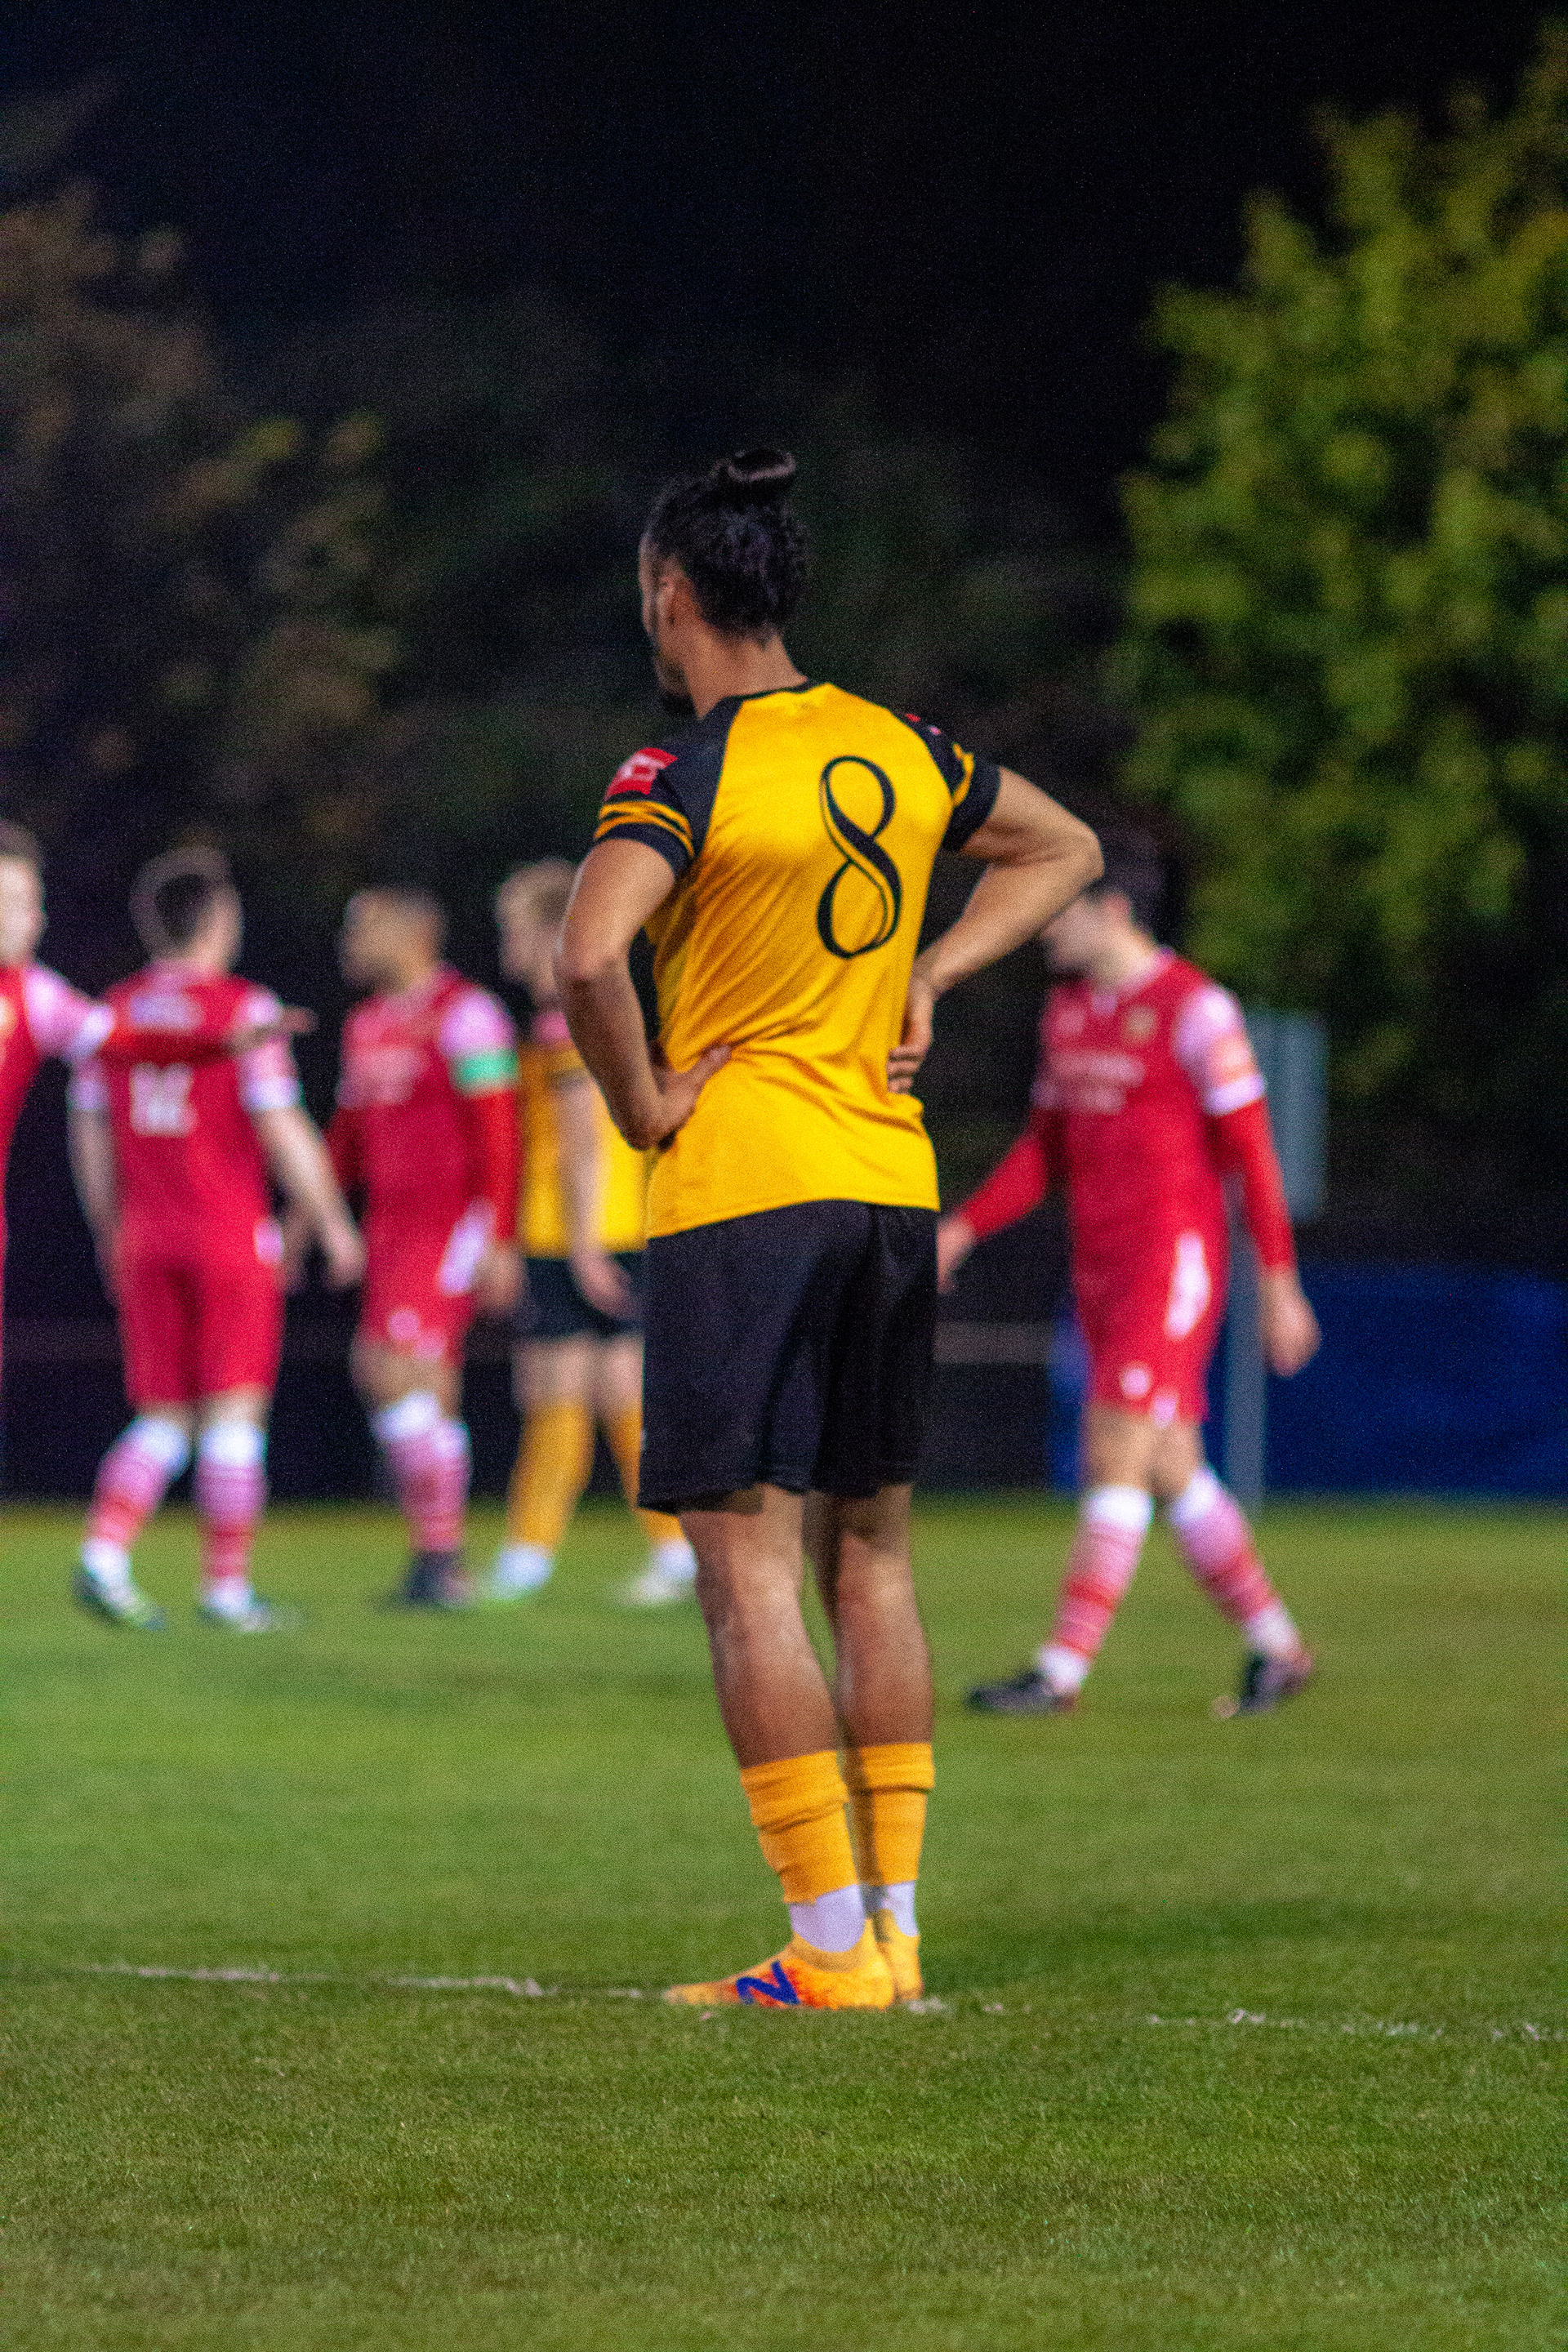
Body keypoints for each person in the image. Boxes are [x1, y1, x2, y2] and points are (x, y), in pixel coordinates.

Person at [557, 448, 1102, 2009]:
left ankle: (827, 1947)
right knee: (872, 1557)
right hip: (890, 1185)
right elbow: (1063, 849)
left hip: (744, 1190)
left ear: (671, 593)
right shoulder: (901, 745)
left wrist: (644, 1103)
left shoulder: (684, 769)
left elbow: (587, 956)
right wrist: (933, 968)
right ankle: (897, 1930)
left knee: (746, 1573)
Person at [939, 835, 1321, 1717]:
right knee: (1174, 1465)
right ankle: (1279, 1650)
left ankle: (1059, 1674)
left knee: (1114, 1447)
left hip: (1169, 1264)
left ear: (1112, 909)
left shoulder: (1198, 1010)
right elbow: (1044, 1151)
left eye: (1059, 908)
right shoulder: (1069, 1011)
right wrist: (962, 1227)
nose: (1044, 927)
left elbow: (1253, 1155)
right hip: (1100, 1270)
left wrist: (1279, 1282)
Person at [69, 849, 363, 1631]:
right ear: (217, 921)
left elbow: (90, 1132)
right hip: (228, 1234)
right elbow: (280, 1124)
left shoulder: (115, 1012)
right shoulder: (243, 1009)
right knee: (234, 1414)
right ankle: (226, 1589)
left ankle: (104, 1552)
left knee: (163, 1415)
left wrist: (108, 1229)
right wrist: (333, 1221)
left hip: (145, 1235)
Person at [487, 862, 697, 1606]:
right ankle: (669, 1551)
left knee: (558, 1394)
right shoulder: (601, 1007)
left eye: (515, 931)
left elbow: (581, 1142)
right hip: (620, 1225)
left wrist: (578, 1247)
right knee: (615, 1394)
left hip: (570, 1233)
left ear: (552, 932)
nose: (507, 947)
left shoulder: (561, 1020)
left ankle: (529, 1555)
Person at [327, 887, 521, 1607]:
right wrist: (309, 1221)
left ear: (413, 933)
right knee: (390, 1374)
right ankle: (436, 1556)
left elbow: (499, 1131)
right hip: (389, 1228)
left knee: (407, 1372)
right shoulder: (366, 1023)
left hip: (447, 1224)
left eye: (363, 927)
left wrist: (499, 1237)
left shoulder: (467, 1014)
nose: (349, 940)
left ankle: (442, 1559)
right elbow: (348, 1137)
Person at [0, 822, 117, 1405]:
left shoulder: (37, 994)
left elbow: (123, 1040)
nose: (35, 920)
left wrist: (218, 1039)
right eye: (16, 902)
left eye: (34, 902)